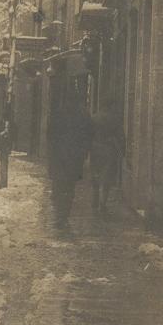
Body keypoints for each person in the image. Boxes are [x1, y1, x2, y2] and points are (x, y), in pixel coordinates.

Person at [47, 88, 93, 231]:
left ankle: (60, 215)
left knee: (59, 185)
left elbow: (50, 135)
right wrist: (84, 153)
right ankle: (64, 216)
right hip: (74, 157)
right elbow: (88, 136)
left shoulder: (58, 113)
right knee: (69, 188)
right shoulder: (83, 115)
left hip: (59, 156)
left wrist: (52, 153)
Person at [90, 99, 126, 214]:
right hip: (109, 150)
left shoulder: (94, 117)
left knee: (95, 172)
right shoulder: (115, 119)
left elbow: (87, 134)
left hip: (95, 149)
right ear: (111, 106)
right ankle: (103, 203)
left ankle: (95, 197)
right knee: (107, 176)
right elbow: (121, 136)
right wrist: (122, 151)